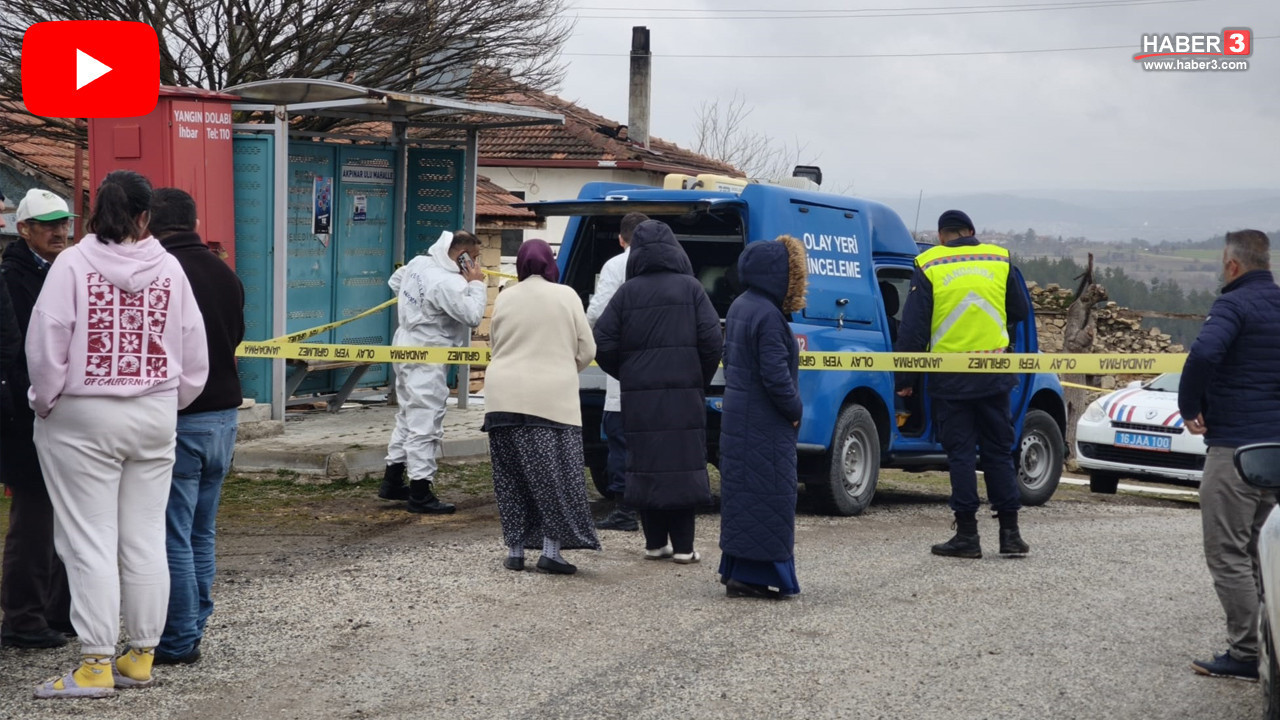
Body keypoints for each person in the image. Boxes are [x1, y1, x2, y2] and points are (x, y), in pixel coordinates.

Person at [26, 170, 209, 699]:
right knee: (146, 537)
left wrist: (46, 401)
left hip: (83, 414)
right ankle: (141, 655)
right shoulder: (171, 268)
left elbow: (47, 342)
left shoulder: (71, 264)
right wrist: (169, 400)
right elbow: (193, 349)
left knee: (88, 540)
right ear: (145, 215)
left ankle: (94, 664)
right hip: (154, 412)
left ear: (91, 212)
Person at [895, 210, 1029, 559]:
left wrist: (906, 379)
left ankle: (967, 535)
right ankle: (1010, 535)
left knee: (961, 455)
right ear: (972, 231)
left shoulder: (929, 264)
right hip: (994, 371)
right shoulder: (998, 258)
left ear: (941, 236)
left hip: (950, 375)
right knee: (999, 451)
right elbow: (1018, 310)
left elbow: (913, 327)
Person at [1178, 229, 1280, 682]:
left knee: (1227, 552)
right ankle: (1271, 646)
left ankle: (1245, 653)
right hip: (1276, 448)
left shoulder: (1233, 304)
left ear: (1233, 265)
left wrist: (1189, 405)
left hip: (1236, 449)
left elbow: (1202, 353)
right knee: (1265, 550)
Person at [149, 188, 245, 665]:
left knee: (172, 533)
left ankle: (179, 637)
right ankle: (196, 622)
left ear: (148, 222)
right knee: (201, 532)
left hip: (182, 417)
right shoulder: (222, 271)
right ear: (195, 221)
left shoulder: (160, 273)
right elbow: (237, 335)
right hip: (225, 417)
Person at [594, 220, 722, 564]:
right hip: (684, 395)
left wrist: (628, 374)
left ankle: (654, 544)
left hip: (639, 397)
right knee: (681, 465)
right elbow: (713, 341)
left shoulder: (627, 292)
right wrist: (699, 376)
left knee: (647, 465)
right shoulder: (691, 288)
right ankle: (683, 548)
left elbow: (602, 342)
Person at [482, 239, 600, 574]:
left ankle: (516, 551)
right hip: (550, 403)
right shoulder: (565, 295)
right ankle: (551, 552)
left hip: (501, 400)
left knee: (510, 478)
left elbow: (495, 344)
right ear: (550, 262)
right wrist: (563, 368)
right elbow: (587, 348)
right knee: (553, 480)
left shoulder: (505, 297)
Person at [1, 188, 74, 650]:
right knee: (34, 515)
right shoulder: (13, 276)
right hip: (25, 413)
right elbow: (17, 351)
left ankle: (56, 610)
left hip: (60, 409)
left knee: (65, 514)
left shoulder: (61, 271)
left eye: (63, 222)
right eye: (48, 224)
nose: (59, 231)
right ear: (23, 228)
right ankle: (24, 617)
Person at [718, 236, 807, 600]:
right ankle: (758, 574)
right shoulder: (769, 316)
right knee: (770, 496)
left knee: (742, 497)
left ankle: (736, 570)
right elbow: (774, 375)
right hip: (764, 422)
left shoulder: (741, 304)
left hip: (739, 416)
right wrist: (795, 410)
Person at [379, 230, 486, 514]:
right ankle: (420, 490)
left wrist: (418, 308)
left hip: (404, 345)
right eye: (473, 258)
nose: (477, 265)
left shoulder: (419, 263)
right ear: (461, 256)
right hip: (428, 352)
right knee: (426, 419)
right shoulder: (447, 282)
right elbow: (473, 315)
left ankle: (393, 479)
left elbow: (395, 282)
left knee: (407, 415)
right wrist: (475, 285)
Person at [586, 211, 648, 532]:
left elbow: (599, 311)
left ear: (622, 239)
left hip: (625, 368)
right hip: (661, 372)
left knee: (620, 437)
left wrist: (584, 338)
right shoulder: (675, 266)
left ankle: (624, 510)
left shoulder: (616, 265)